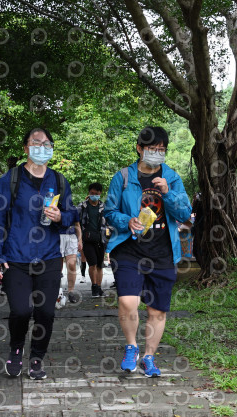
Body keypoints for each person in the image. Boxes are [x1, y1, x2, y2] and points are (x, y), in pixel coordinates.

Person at [0, 128, 77, 380]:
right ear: (26, 148)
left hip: (49, 257)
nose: (42, 147)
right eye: (36, 142)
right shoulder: (10, 180)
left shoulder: (59, 180)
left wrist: (61, 216)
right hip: (16, 257)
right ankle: (16, 349)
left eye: (47, 143)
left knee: (45, 313)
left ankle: (37, 358)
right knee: (21, 310)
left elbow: (72, 213)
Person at [105, 126, 191, 378]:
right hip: (129, 249)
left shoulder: (172, 177)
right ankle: (131, 346)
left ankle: (149, 357)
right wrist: (127, 221)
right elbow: (109, 211)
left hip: (162, 252)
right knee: (127, 301)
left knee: (157, 310)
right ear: (139, 149)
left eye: (161, 149)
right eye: (152, 149)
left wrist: (168, 193)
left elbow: (184, 213)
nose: (157, 153)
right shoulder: (122, 177)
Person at [76, 182, 109, 299]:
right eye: (91, 193)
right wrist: (79, 239)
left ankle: (99, 288)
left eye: (96, 193)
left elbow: (108, 223)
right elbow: (76, 222)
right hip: (87, 239)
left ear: (100, 193)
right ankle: (94, 287)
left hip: (101, 239)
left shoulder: (104, 207)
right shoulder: (82, 206)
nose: (93, 195)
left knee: (100, 265)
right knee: (93, 263)